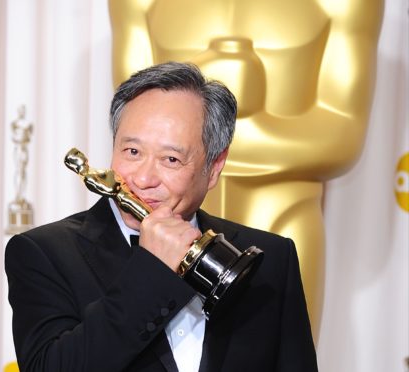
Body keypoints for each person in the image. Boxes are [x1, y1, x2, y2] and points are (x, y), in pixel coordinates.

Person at [5, 62, 317, 371]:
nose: (142, 179)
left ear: (214, 168)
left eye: (171, 159)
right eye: (132, 152)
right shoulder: (44, 254)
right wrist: (152, 269)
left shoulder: (272, 259)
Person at [109, 0, 384, 337]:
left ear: (217, 164)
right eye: (134, 154)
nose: (145, 173)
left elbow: (342, 135)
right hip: (150, 222)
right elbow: (136, 118)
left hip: (285, 213)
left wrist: (214, 130)